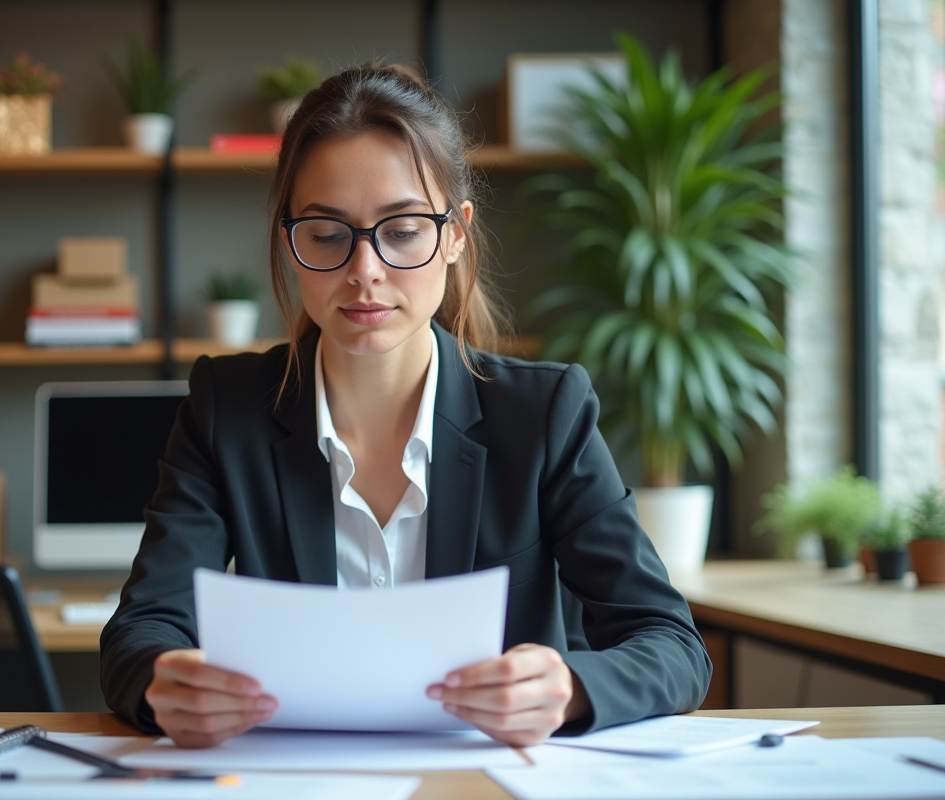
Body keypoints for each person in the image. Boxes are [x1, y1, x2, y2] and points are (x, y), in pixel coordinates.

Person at [101, 63, 711, 749]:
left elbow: (671, 645)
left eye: (404, 229)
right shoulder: (227, 409)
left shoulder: (544, 413)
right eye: (328, 234)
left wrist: (569, 688)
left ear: (455, 234)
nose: (365, 271)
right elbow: (140, 630)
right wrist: (165, 680)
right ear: (289, 240)